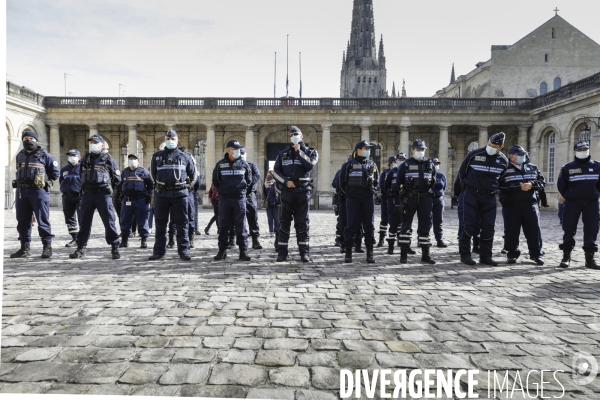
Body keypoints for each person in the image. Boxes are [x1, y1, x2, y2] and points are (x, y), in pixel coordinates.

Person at [457, 132, 509, 266]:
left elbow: (503, 180)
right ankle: (465, 255)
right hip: (472, 194)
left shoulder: (503, 161)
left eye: (494, 146)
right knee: (468, 225)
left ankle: (485, 256)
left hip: (490, 196)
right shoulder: (474, 155)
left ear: (501, 147)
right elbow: (462, 172)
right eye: (489, 144)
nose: (490, 147)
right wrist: (463, 191)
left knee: (488, 227)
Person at [69, 134, 122, 259]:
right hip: (88, 194)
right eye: (91, 142)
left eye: (95, 142)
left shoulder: (108, 159)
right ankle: (81, 248)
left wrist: (109, 189)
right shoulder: (85, 159)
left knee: (109, 221)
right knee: (84, 222)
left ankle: (114, 247)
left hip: (103, 194)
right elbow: (82, 173)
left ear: (102, 145)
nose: (93, 144)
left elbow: (117, 178)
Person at [148, 129, 197, 261]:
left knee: (182, 223)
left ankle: (183, 251)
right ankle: (159, 251)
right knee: (160, 224)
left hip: (180, 194)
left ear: (177, 140)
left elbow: (194, 175)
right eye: (167, 139)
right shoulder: (157, 156)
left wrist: (187, 187)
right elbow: (153, 174)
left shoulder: (185, 156)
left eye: (172, 139)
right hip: (162, 194)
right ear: (165, 140)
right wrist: (158, 186)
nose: (170, 141)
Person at [10, 130, 60, 259]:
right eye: (25, 138)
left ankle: (47, 247)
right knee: (23, 221)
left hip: (39, 192)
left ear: (36, 141)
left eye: (31, 138)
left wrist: (47, 182)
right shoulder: (20, 155)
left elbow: (55, 173)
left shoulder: (45, 156)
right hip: (22, 192)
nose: (28, 141)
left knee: (42, 220)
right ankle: (24, 248)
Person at [273, 126, 319, 262]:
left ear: (302, 136)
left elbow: (310, 165)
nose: (294, 136)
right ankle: (282, 252)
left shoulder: (311, 152)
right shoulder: (283, 153)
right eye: (292, 134)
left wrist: (299, 152)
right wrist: (286, 182)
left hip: (303, 192)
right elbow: (276, 172)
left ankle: (304, 252)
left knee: (302, 223)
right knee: (284, 223)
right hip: (287, 192)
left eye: (296, 134)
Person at [499, 145, 545, 265]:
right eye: (519, 155)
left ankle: (536, 254)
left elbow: (542, 182)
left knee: (534, 230)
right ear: (511, 156)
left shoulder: (532, 167)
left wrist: (531, 185)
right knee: (511, 231)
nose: (522, 157)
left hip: (530, 204)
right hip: (511, 205)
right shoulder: (503, 169)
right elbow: (500, 185)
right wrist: (517, 186)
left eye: (523, 155)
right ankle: (512, 254)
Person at [557, 140, 600, 269]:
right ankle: (566, 257)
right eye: (580, 150)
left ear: (589, 150)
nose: (583, 152)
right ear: (574, 152)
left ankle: (589, 259)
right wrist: (568, 195)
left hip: (591, 203)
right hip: (572, 203)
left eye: (585, 149)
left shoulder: (597, 166)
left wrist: (595, 193)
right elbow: (561, 185)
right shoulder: (567, 167)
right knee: (569, 228)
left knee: (592, 230)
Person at [396, 139, 437, 264]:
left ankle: (426, 254)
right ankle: (404, 254)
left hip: (425, 198)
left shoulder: (430, 165)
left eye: (422, 150)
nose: (420, 152)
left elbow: (434, 182)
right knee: (406, 225)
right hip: (410, 198)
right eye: (418, 149)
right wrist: (402, 200)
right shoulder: (405, 165)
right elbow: (399, 183)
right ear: (412, 150)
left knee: (425, 225)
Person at [212, 139, 252, 261]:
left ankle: (243, 251)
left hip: (239, 198)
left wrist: (243, 192)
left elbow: (249, 181)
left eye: (239, 149)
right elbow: (215, 180)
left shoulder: (244, 164)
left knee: (241, 225)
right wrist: (222, 191)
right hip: (225, 199)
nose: (237, 152)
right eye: (235, 149)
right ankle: (222, 250)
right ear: (229, 150)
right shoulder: (220, 164)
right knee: (223, 225)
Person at [339, 140, 378, 263]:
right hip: (353, 198)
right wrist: (350, 194)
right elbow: (341, 183)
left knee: (369, 225)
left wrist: (371, 191)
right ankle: (348, 251)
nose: (367, 151)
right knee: (351, 225)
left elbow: (376, 181)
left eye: (368, 149)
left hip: (367, 198)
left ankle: (370, 253)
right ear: (358, 150)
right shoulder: (348, 165)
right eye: (365, 148)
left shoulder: (372, 165)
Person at [118, 154, 153, 249]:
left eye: (134, 159)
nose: (132, 160)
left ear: (138, 161)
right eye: (130, 159)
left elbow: (150, 185)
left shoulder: (143, 172)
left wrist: (150, 197)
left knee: (142, 220)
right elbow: (120, 185)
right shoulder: (125, 172)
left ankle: (143, 240)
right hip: (127, 199)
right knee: (125, 220)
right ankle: (124, 240)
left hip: (141, 199)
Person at [240, 147, 262, 249]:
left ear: (246, 154)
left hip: (249, 195)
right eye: (240, 153)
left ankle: (255, 239)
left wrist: (246, 184)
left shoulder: (252, 165)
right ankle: (236, 240)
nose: (241, 155)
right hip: (238, 196)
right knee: (237, 219)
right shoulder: (233, 166)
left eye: (243, 153)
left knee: (253, 218)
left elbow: (256, 176)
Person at [59, 148, 82, 247]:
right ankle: (74, 238)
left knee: (83, 218)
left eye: (74, 156)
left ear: (79, 157)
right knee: (69, 218)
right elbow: (61, 181)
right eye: (70, 156)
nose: (72, 157)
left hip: (80, 197)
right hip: (67, 197)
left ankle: (82, 239)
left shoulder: (83, 168)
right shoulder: (64, 169)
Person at [377, 156, 397, 247]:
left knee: (397, 220)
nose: (394, 163)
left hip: (396, 198)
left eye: (395, 162)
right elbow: (382, 184)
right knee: (384, 219)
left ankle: (398, 239)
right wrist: (389, 191)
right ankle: (381, 239)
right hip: (386, 198)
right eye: (392, 162)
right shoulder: (385, 173)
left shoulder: (399, 172)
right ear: (389, 163)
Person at [431, 158, 447, 247]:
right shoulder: (427, 174)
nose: (436, 165)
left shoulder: (441, 175)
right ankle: (422, 239)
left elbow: (444, 186)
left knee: (438, 221)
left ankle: (439, 240)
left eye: (437, 164)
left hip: (439, 199)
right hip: (429, 199)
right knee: (426, 221)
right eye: (434, 164)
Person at [263, 170, 280, 236]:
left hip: (276, 203)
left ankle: (277, 231)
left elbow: (279, 192)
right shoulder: (265, 184)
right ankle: (271, 232)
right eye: (267, 175)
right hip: (268, 203)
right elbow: (264, 193)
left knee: (276, 218)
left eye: (270, 175)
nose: (268, 176)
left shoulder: (276, 183)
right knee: (270, 218)